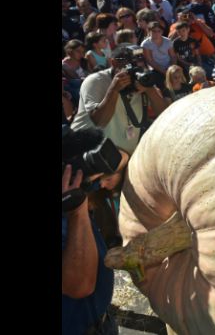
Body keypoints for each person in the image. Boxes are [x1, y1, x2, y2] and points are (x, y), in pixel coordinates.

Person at [62, 127, 124, 335]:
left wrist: (98, 174)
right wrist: (77, 209)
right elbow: (80, 286)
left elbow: (119, 157)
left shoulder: (72, 192)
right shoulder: (72, 204)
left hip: (103, 323)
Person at [70, 44, 168, 155]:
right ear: (114, 63)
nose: (135, 73)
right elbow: (100, 122)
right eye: (131, 68)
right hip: (86, 154)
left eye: (139, 67)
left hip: (120, 157)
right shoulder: (95, 81)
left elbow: (164, 115)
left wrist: (150, 90)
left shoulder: (142, 79)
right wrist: (114, 90)